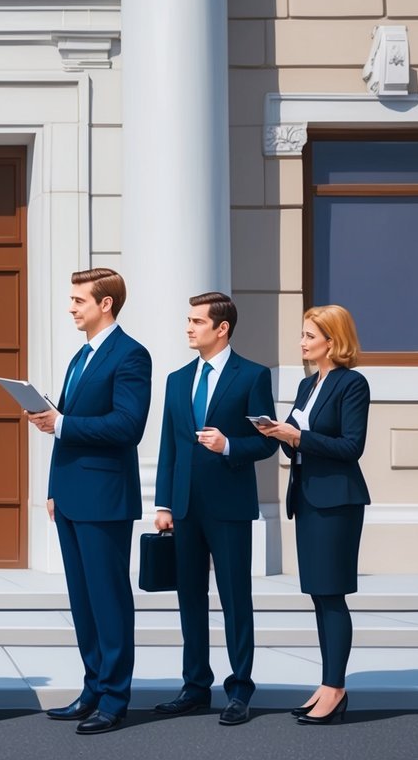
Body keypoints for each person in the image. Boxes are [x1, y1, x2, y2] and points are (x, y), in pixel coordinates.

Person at [25, 267, 150, 735]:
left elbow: (127, 426)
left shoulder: (132, 356)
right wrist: (55, 487)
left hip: (106, 498)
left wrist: (60, 423)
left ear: (106, 305)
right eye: (72, 299)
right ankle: (94, 687)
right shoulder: (80, 357)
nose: (72, 307)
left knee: (109, 600)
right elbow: (66, 425)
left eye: (79, 300)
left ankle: (115, 699)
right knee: (82, 600)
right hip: (73, 496)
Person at [152, 292, 279, 727]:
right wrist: (164, 502)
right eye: (188, 320)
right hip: (184, 507)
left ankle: (240, 688)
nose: (188, 327)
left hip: (228, 507)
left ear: (222, 328)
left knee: (234, 599)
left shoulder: (252, 376)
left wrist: (229, 447)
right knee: (190, 598)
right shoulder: (176, 379)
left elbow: (267, 440)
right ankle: (194, 687)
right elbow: (169, 444)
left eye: (197, 321)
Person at [258, 304, 370, 726]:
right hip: (306, 499)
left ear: (332, 340)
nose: (302, 342)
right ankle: (327, 684)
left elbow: (351, 447)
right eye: (303, 334)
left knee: (332, 594)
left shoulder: (351, 384)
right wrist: (278, 433)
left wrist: (298, 436)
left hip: (337, 503)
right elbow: (295, 442)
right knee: (318, 595)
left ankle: (336, 688)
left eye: (309, 336)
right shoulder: (308, 386)